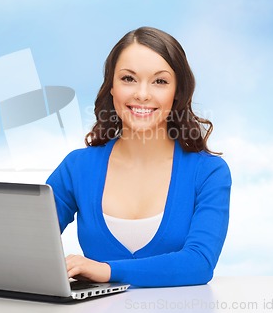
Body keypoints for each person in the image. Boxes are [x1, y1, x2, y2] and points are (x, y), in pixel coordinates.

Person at [46, 26, 231, 287]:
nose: (142, 94)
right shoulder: (77, 167)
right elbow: (27, 245)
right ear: (111, 86)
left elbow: (199, 263)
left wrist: (106, 271)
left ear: (177, 92)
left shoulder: (209, 172)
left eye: (160, 81)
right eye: (128, 79)